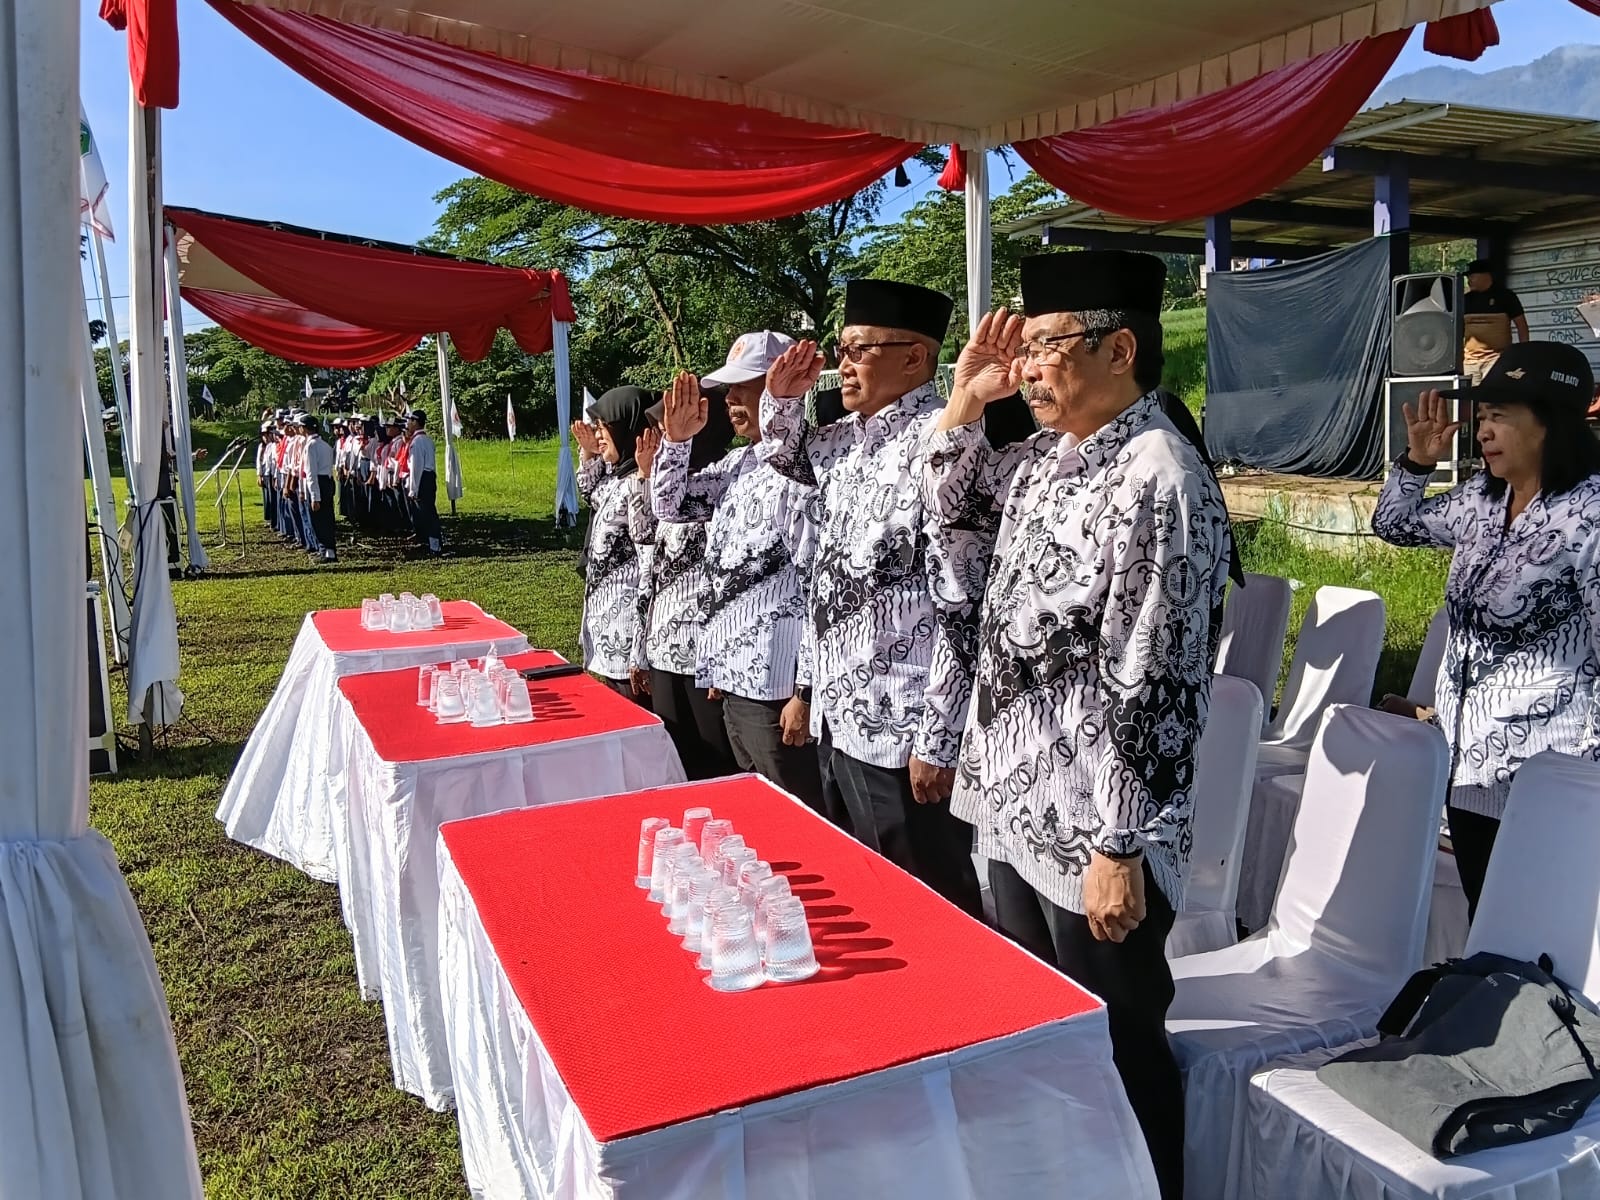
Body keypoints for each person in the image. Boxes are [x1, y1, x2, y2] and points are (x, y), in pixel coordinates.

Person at [925, 251, 1229, 1199]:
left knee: (1120, 1056)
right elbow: (949, 532)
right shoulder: (1049, 461)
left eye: (1048, 345)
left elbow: (1159, 675)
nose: (1027, 368)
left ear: (1119, 349)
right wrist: (964, 406)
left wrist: (1118, 846)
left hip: (1097, 830)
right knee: (1047, 1044)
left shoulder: (1158, 476)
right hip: (1021, 807)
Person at [759, 283, 985, 917]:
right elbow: (786, 462)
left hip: (902, 725)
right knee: (865, 892)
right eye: (841, 349)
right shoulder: (842, 441)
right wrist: (782, 399)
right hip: (840, 716)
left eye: (858, 349)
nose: (844, 363)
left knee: (928, 904)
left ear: (913, 357)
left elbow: (960, 600)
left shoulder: (944, 441)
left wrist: (939, 737)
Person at [1373, 340, 1600, 921]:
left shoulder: (1588, 515)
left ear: (1549, 425)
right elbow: (1393, 524)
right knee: (1486, 925)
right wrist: (1416, 463)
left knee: (1540, 934)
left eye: (1500, 416)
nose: (1483, 431)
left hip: (1549, 775)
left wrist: (1586, 779)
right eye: (1482, 417)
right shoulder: (1482, 499)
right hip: (1468, 769)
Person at [652, 333, 828, 802]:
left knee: (796, 812)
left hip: (777, 684)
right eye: (729, 389)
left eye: (744, 387)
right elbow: (669, 506)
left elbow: (817, 584)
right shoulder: (737, 463)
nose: (730, 399)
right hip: (733, 678)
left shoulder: (805, 468)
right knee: (756, 806)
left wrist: (805, 691)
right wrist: (676, 442)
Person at [633, 387, 739, 779]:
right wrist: (641, 648)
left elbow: (724, 581)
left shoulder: (718, 485)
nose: (664, 438)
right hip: (664, 650)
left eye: (672, 430)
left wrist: (716, 661)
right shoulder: (674, 490)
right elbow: (647, 550)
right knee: (678, 761)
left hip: (700, 656)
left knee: (716, 764)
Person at [574, 386, 654, 706]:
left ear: (625, 429)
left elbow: (649, 566)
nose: (598, 434)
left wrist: (639, 651)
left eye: (603, 427)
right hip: (607, 628)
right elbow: (590, 492)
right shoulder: (617, 478)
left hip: (627, 631)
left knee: (635, 714)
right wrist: (590, 454)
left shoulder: (641, 483)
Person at [1462, 259, 1529, 386]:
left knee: (1492, 394)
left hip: (1497, 360)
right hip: (1470, 362)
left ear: (1486, 275)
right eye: (1468, 277)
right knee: (1472, 396)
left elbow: (1521, 326)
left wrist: (1523, 353)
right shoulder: (1465, 300)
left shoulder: (1506, 296)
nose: (1469, 280)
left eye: (1472, 276)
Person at [300, 413, 338, 563]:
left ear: (305, 429)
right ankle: (328, 551)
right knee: (327, 518)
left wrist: (314, 497)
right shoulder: (325, 445)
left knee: (318, 520)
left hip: (318, 483)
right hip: (326, 482)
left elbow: (311, 473)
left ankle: (326, 551)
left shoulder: (310, 446)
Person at [405, 409, 443, 557]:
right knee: (428, 511)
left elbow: (416, 467)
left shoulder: (417, 442)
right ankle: (431, 542)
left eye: (410, 421)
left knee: (427, 513)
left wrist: (413, 489)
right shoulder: (427, 440)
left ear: (415, 422)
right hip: (429, 477)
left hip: (423, 478)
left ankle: (434, 545)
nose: (408, 424)